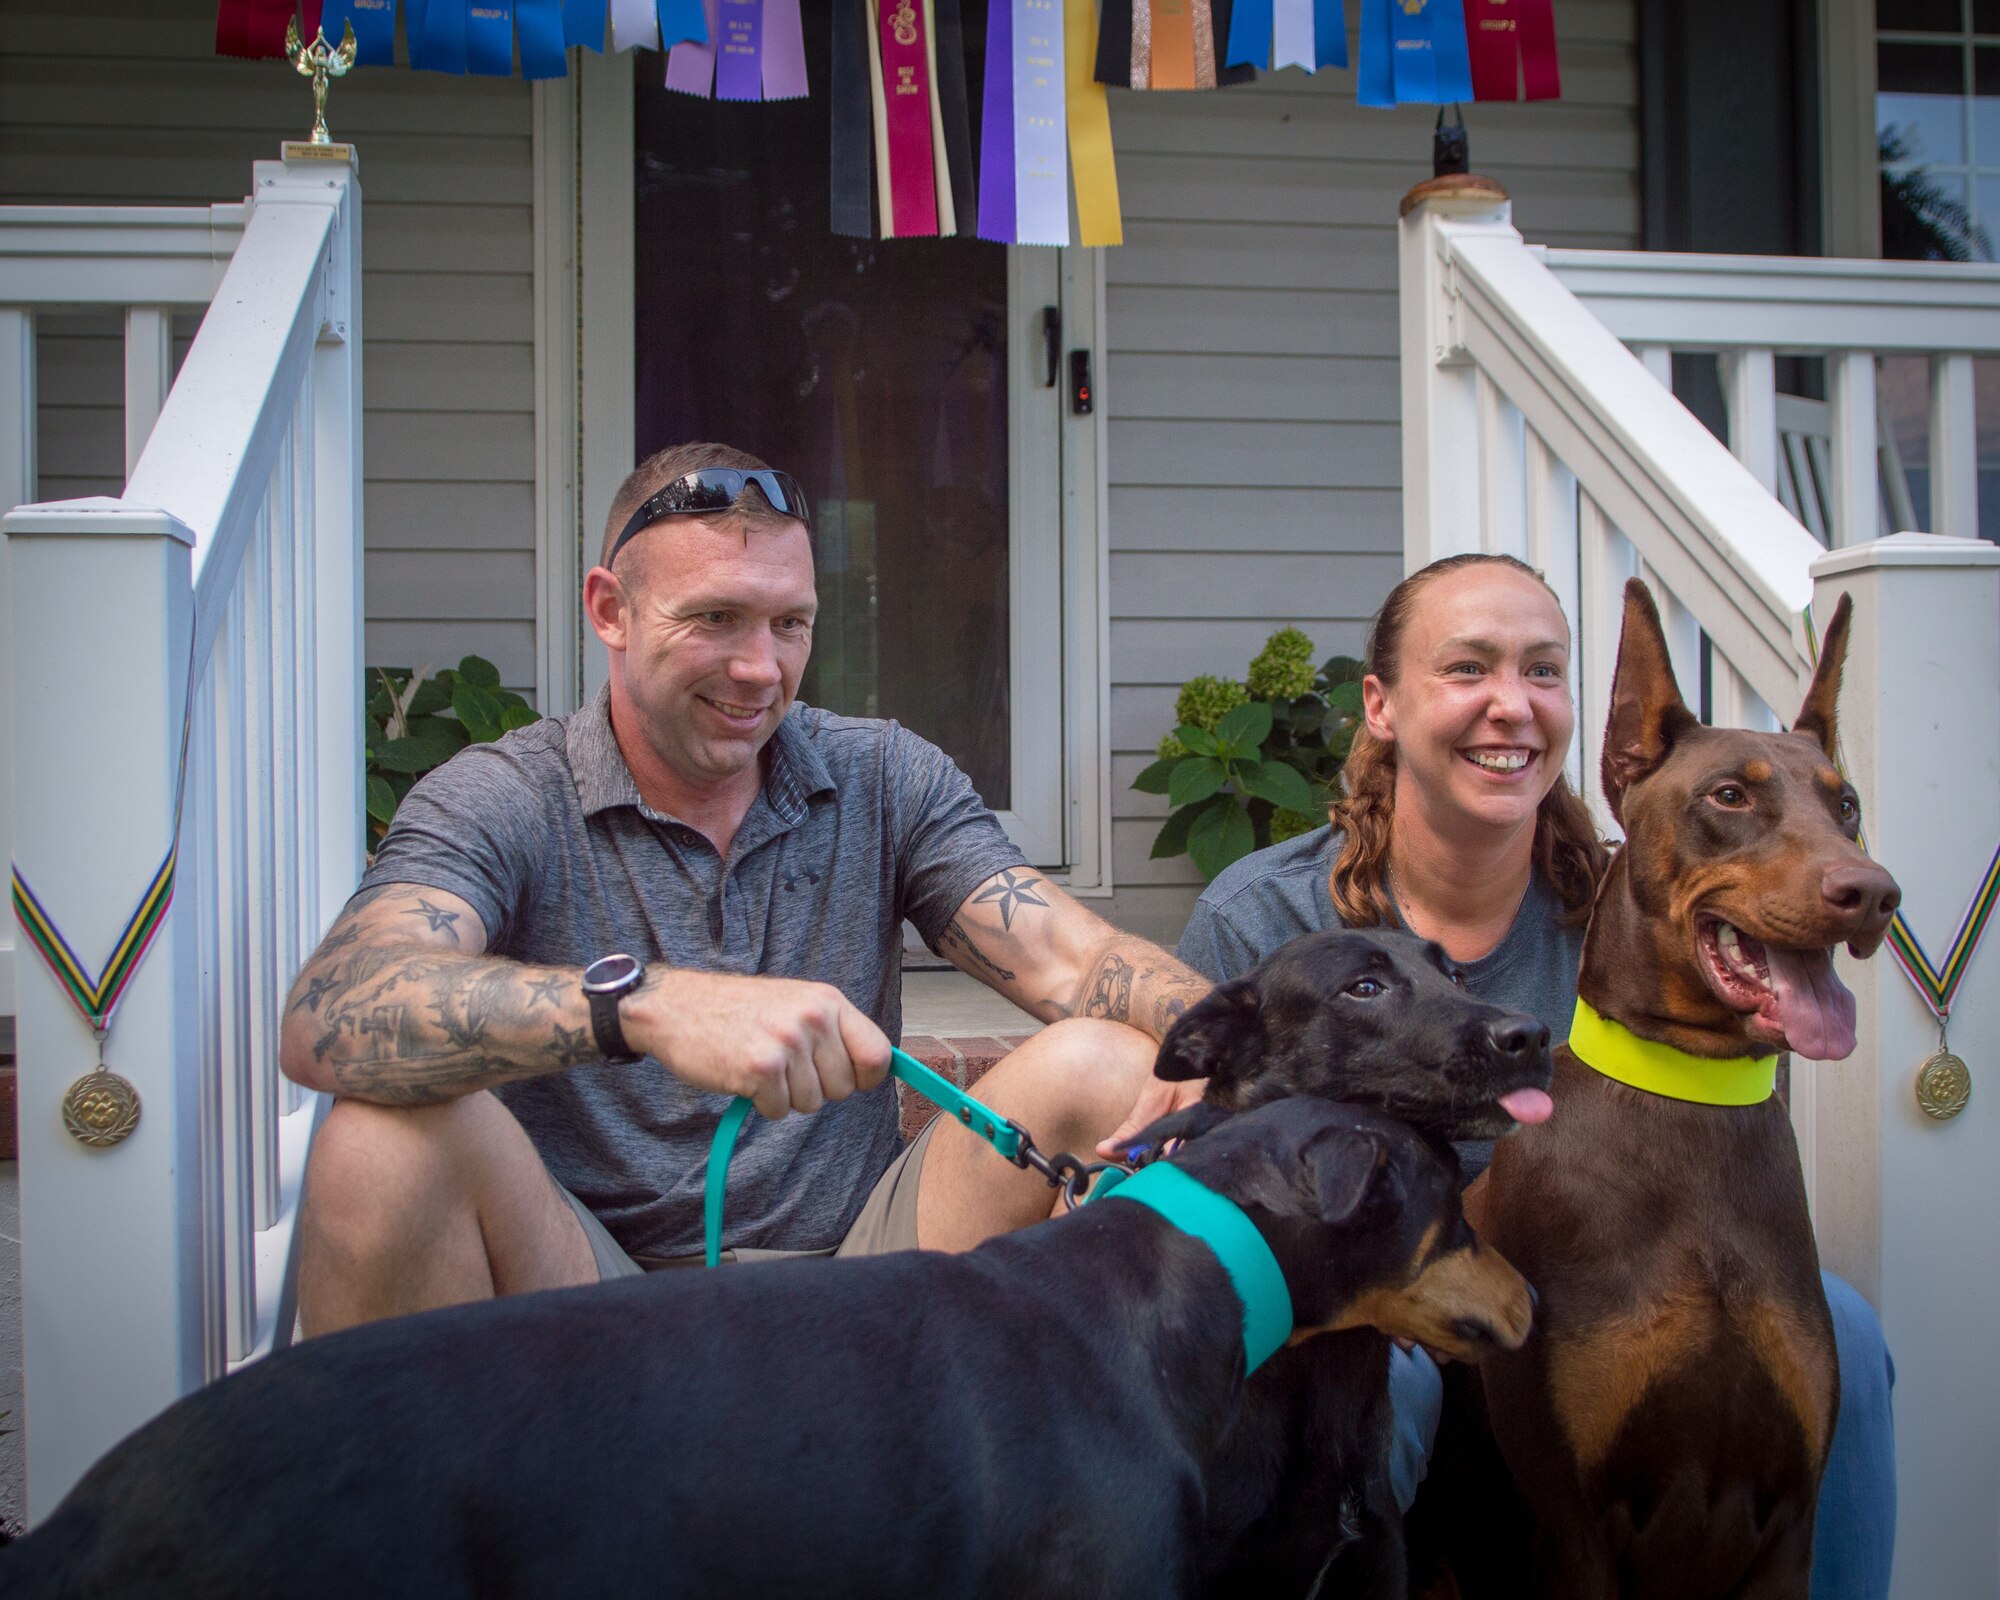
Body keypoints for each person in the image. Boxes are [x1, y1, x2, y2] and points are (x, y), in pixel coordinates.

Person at [280, 440, 1209, 1334]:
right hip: (586, 1298)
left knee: (1114, 1062)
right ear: (612, 610)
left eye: (790, 623)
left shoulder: (882, 774)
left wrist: (1247, 1039)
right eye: (716, 617)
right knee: (381, 1146)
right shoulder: (506, 795)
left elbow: (1070, 960)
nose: (761, 669)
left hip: (863, 1285)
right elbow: (331, 1009)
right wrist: (642, 1007)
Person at [1176, 553, 1897, 1600]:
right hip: (1369, 1312)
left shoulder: (1634, 919)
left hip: (1609, 1280)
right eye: (1467, 668)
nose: (1509, 705)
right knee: (1402, 1388)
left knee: (1857, 1337)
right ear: (1378, 705)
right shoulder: (1263, 922)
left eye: (1542, 672)